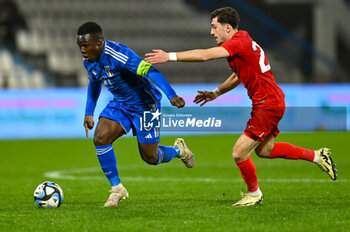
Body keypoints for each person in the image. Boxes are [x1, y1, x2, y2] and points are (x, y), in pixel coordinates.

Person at [145, 7, 337, 206]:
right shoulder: (243, 41)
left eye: (214, 27)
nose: (211, 32)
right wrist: (216, 93)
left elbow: (204, 55)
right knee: (265, 150)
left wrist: (170, 56)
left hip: (267, 104)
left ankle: (254, 194)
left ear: (227, 28)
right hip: (271, 101)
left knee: (239, 152)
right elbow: (238, 75)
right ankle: (317, 156)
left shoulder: (238, 42)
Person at [76, 22, 194, 207]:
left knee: (150, 157)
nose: (82, 50)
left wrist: (171, 95)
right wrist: (89, 112)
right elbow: (95, 82)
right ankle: (117, 189)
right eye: (80, 46)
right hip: (120, 104)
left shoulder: (120, 55)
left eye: (85, 45)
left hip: (146, 106)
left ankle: (180, 150)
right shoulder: (88, 60)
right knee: (100, 138)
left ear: (98, 42)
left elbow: (150, 70)